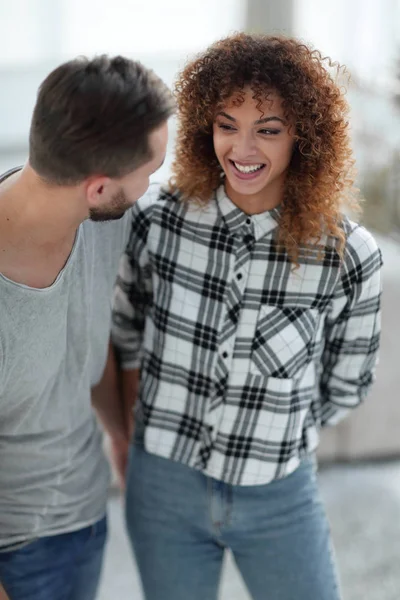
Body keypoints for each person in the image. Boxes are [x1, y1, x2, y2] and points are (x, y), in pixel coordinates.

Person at [112, 33, 382, 600]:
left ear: (302, 136)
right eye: (227, 124)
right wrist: (134, 433)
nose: (243, 148)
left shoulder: (347, 255)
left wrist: (276, 432)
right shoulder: (158, 220)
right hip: (162, 483)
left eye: (269, 129)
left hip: (278, 492)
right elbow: (126, 335)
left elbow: (347, 383)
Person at [0, 54, 174, 600]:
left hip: (84, 515)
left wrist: (119, 433)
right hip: (17, 552)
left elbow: (81, 347)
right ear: (98, 188)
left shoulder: (102, 222)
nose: (151, 185)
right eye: (148, 173)